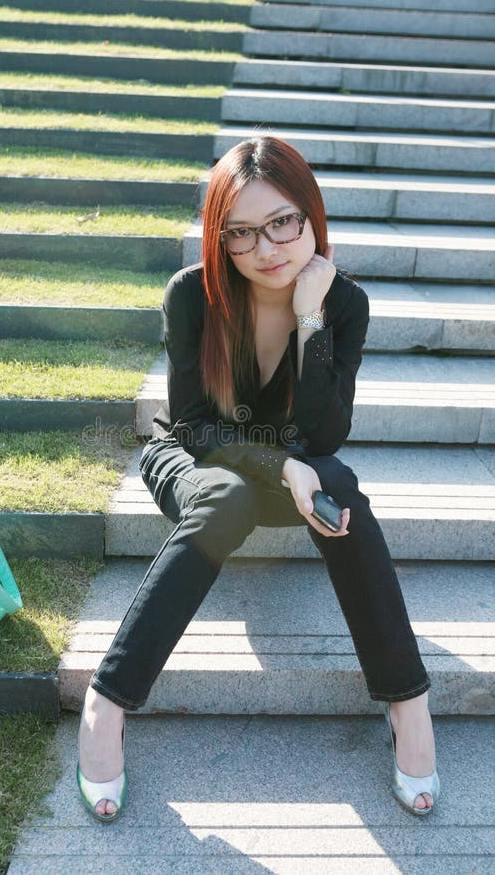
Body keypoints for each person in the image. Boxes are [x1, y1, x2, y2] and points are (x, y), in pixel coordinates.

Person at [77, 136, 440, 822]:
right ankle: (108, 701)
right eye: (240, 233)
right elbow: (192, 426)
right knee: (228, 492)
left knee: (343, 482)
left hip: (293, 468)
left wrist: (310, 322)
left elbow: (326, 436)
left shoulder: (345, 304)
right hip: (194, 460)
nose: (266, 248)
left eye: (282, 222)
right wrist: (283, 465)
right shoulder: (193, 295)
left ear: (311, 215)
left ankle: (408, 702)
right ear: (221, 239)